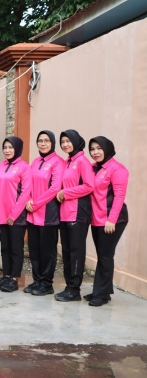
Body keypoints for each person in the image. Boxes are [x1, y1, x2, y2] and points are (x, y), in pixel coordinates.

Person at [84, 136, 129, 307]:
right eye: (92, 149)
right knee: (103, 255)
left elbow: (119, 196)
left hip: (112, 220)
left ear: (107, 148)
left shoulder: (117, 169)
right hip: (97, 219)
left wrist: (112, 220)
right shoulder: (94, 168)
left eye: (98, 148)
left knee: (105, 256)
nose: (95, 152)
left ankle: (101, 295)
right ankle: (102, 291)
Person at [54, 130, 94, 302]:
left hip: (78, 212)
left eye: (68, 141)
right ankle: (69, 286)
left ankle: (74, 289)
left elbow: (89, 186)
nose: (65, 144)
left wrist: (66, 193)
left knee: (76, 251)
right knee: (67, 251)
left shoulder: (82, 162)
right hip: (64, 213)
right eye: (62, 142)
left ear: (76, 141)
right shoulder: (68, 162)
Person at [25, 130, 65, 296]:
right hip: (32, 212)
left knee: (47, 251)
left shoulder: (58, 162)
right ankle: (37, 281)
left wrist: (36, 203)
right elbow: (27, 183)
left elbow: (55, 187)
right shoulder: (35, 162)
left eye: (46, 140)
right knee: (34, 249)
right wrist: (28, 199)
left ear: (52, 143)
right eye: (40, 140)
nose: (43, 143)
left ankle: (47, 283)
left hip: (48, 213)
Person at [0, 137, 32, 293]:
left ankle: (14, 278)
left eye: (10, 147)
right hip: (1, 214)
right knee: (5, 247)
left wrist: (14, 214)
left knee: (16, 248)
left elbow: (25, 193)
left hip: (16, 215)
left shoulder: (24, 167)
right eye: (5, 147)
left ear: (17, 148)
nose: (7, 150)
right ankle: (6, 275)